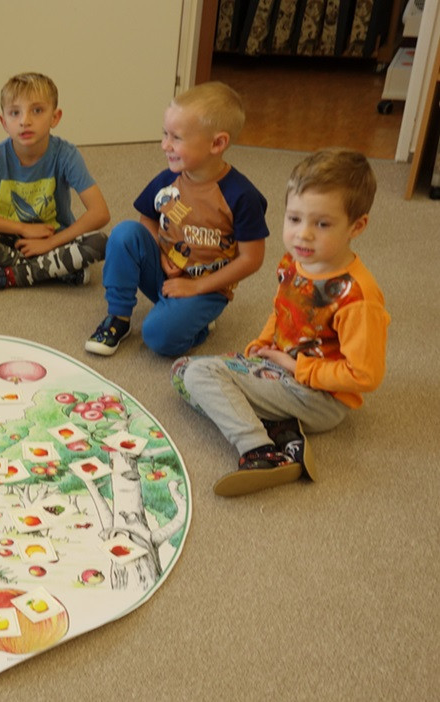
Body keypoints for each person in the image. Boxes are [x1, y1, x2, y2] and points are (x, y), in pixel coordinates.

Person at [171, 148, 388, 496]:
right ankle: (284, 433)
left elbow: (364, 376)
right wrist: (264, 342)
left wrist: (294, 366)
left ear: (357, 226)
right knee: (183, 371)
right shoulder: (294, 261)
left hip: (321, 399)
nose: (303, 234)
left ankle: (260, 450)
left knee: (200, 375)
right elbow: (283, 310)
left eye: (322, 224)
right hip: (284, 371)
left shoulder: (357, 296)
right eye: (294, 219)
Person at [85, 81, 269, 357]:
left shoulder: (241, 196)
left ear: (217, 143)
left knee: (157, 336)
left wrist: (196, 286)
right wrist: (160, 253)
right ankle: (118, 318)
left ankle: (199, 324)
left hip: (208, 288)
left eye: (177, 138)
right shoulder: (168, 179)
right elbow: (147, 218)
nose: (164, 145)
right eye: (165, 134)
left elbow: (251, 259)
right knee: (124, 234)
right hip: (166, 271)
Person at [0, 72, 110, 295]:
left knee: (100, 242)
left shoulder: (66, 155)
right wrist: (24, 229)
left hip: (53, 238)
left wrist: (49, 244)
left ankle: (9, 275)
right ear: (4, 122)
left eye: (37, 110)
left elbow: (100, 213)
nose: (25, 121)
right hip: (7, 239)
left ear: (55, 117)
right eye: (15, 113)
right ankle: (52, 269)